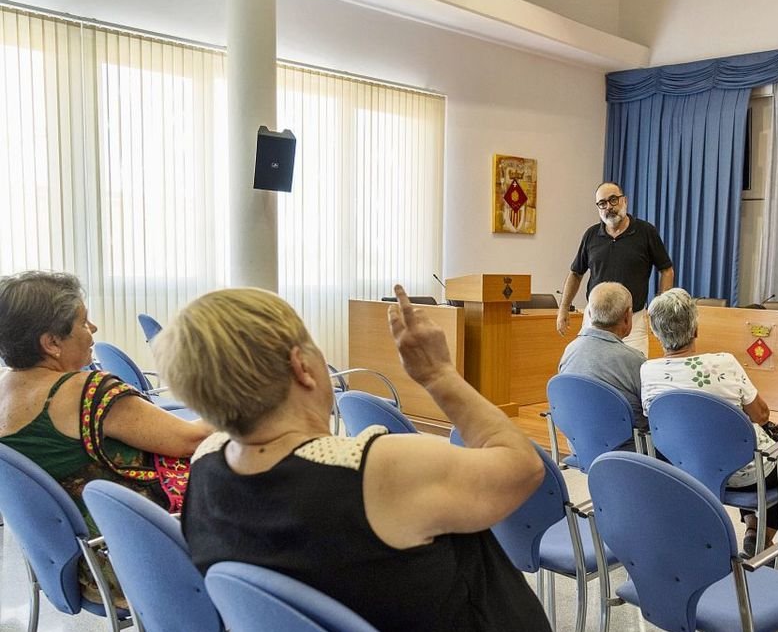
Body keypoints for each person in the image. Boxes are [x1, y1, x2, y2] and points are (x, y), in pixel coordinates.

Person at [159, 285, 550, 632]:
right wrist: (438, 373)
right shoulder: (378, 469)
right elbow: (524, 467)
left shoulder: (205, 466)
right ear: (302, 367)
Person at [0, 271, 211, 603]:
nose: (93, 329)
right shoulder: (86, 390)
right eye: (83, 322)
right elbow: (192, 440)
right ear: (51, 343)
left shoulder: (4, 387)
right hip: (138, 559)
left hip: (79, 562)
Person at [641, 288, 778, 559]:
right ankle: (762, 536)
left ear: (654, 331)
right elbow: (761, 415)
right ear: (696, 328)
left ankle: (752, 527)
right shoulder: (725, 363)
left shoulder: (648, 371)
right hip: (744, 474)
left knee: (731, 441)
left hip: (683, 470)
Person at [557, 182, 674, 355]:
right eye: (602, 203)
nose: (608, 207)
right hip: (594, 321)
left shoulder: (646, 232)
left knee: (633, 374)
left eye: (613, 200)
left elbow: (667, 270)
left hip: (632, 321)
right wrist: (563, 308)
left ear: (624, 201)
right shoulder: (591, 235)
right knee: (591, 370)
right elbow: (575, 273)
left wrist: (660, 308)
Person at [558, 282, 647, 441]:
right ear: (628, 316)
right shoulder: (635, 360)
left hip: (581, 447)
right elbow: (649, 415)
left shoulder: (569, 351)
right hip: (630, 452)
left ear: (590, 314)